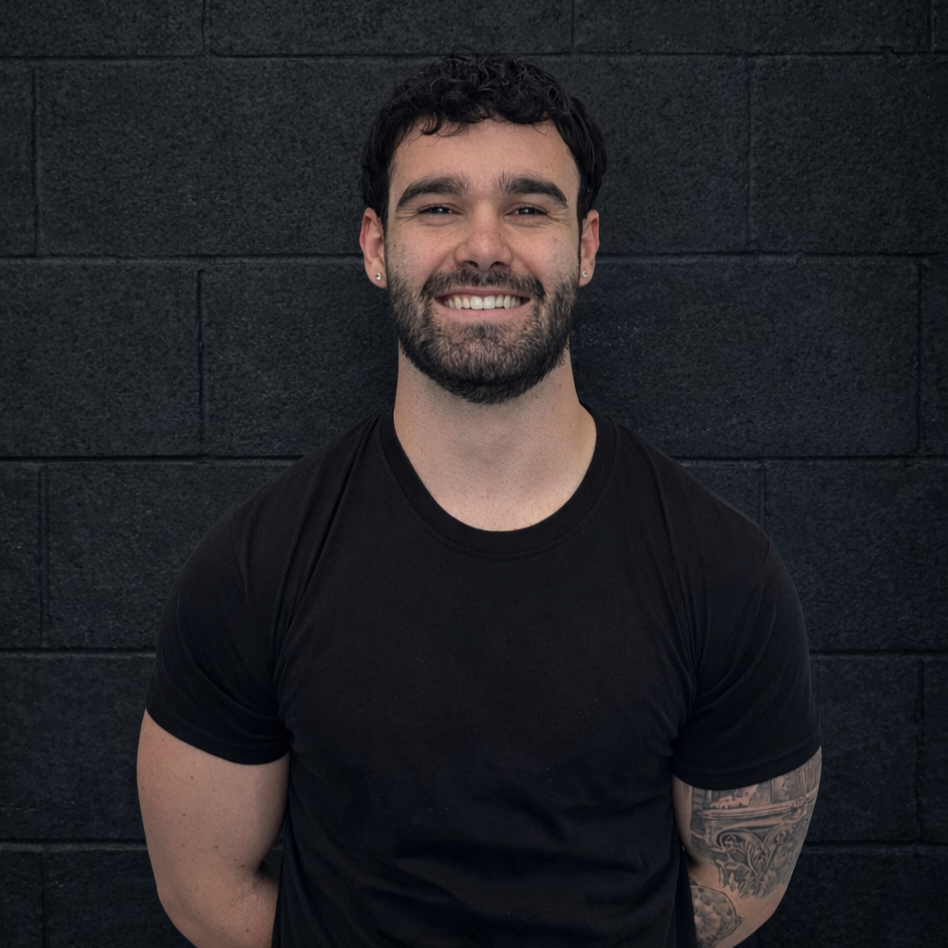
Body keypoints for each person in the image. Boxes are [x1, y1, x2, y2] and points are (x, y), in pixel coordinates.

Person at [137, 53, 821, 948]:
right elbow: (204, 891)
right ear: (379, 247)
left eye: (529, 207)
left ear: (585, 245)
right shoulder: (255, 567)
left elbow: (738, 890)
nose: (485, 244)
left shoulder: (723, 571)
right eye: (439, 206)